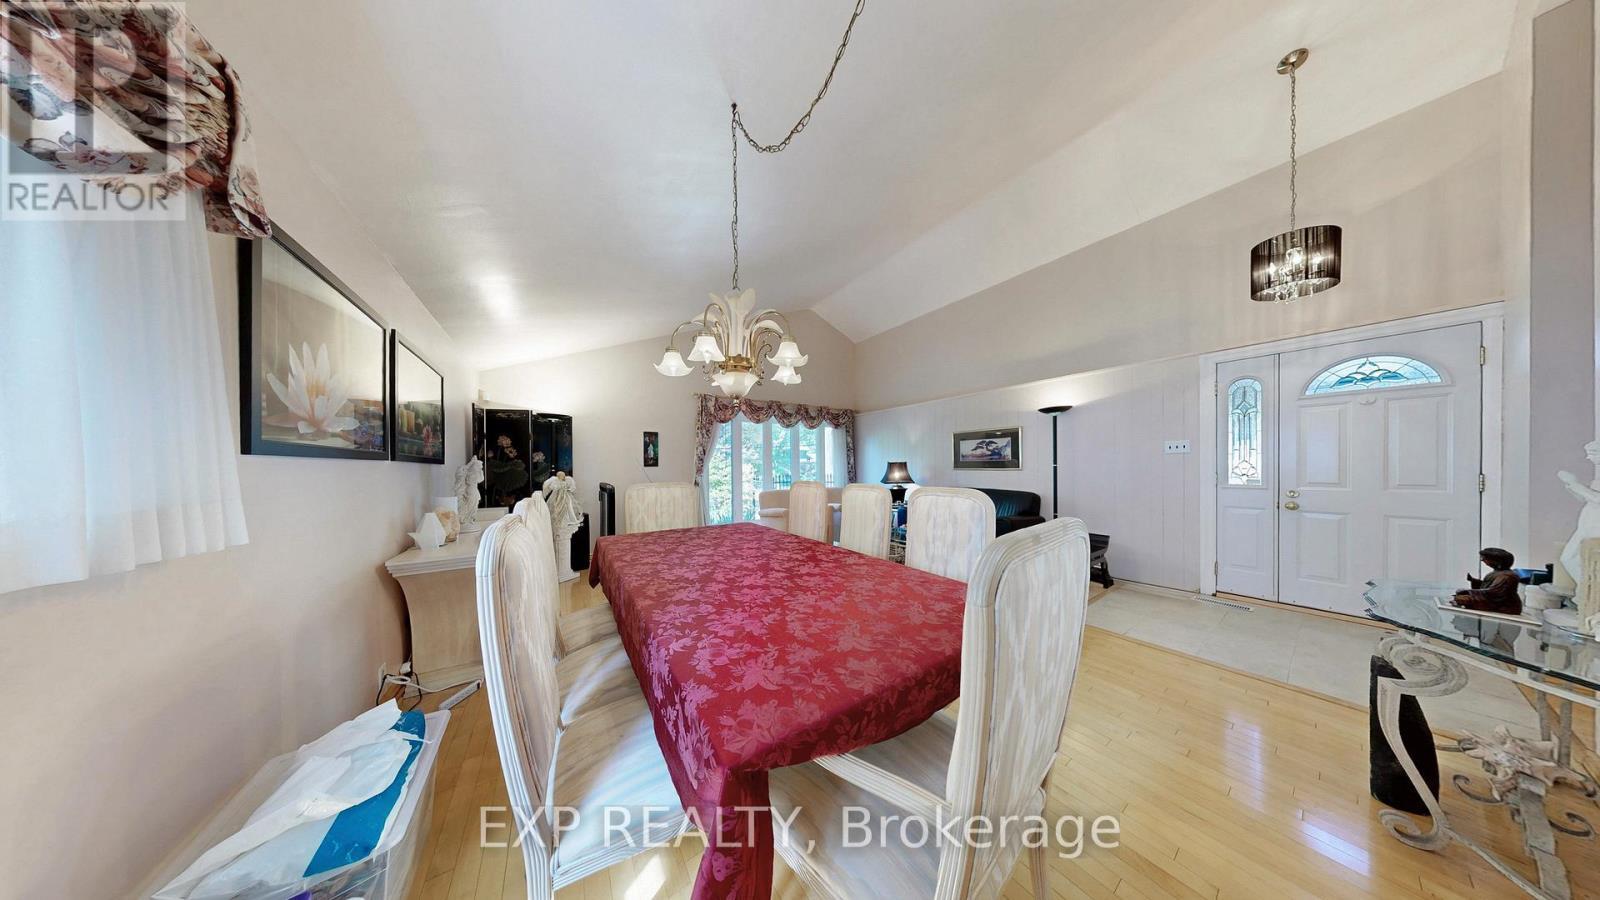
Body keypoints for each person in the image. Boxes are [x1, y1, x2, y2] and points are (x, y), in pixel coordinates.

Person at [1453, 547, 1521, 615]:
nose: (1482, 560)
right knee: (1460, 596)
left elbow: (1494, 592)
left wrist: (1469, 591)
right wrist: (1474, 581)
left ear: (1496, 561)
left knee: (1462, 599)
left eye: (1484, 558)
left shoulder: (1507, 576)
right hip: (1493, 600)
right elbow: (1488, 586)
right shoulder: (1497, 572)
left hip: (1503, 605)